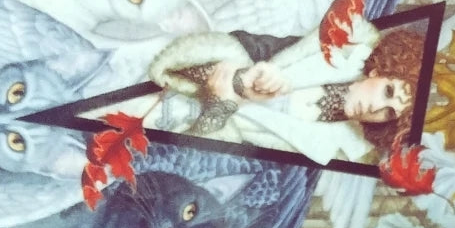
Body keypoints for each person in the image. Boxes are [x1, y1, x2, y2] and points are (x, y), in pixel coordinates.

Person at [143, 24, 422, 167]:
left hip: (158, 140)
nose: (375, 107)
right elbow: (184, 62)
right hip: (146, 84)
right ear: (379, 71)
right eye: (387, 91)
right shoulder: (328, 47)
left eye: (389, 112)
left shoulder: (339, 154)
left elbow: (195, 165)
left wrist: (221, 106)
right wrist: (241, 80)